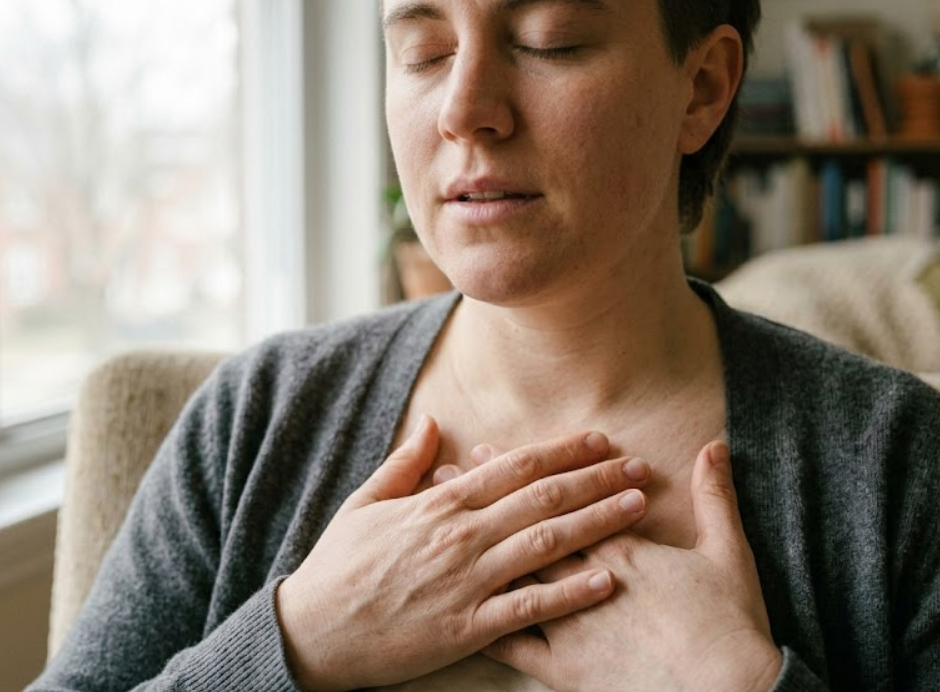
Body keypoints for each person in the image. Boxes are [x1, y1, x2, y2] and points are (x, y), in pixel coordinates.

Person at [29, 1, 940, 690]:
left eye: (549, 41)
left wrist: (737, 684)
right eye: (424, 51)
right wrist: (293, 643)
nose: (463, 111)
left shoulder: (899, 461)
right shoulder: (254, 418)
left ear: (701, 87)